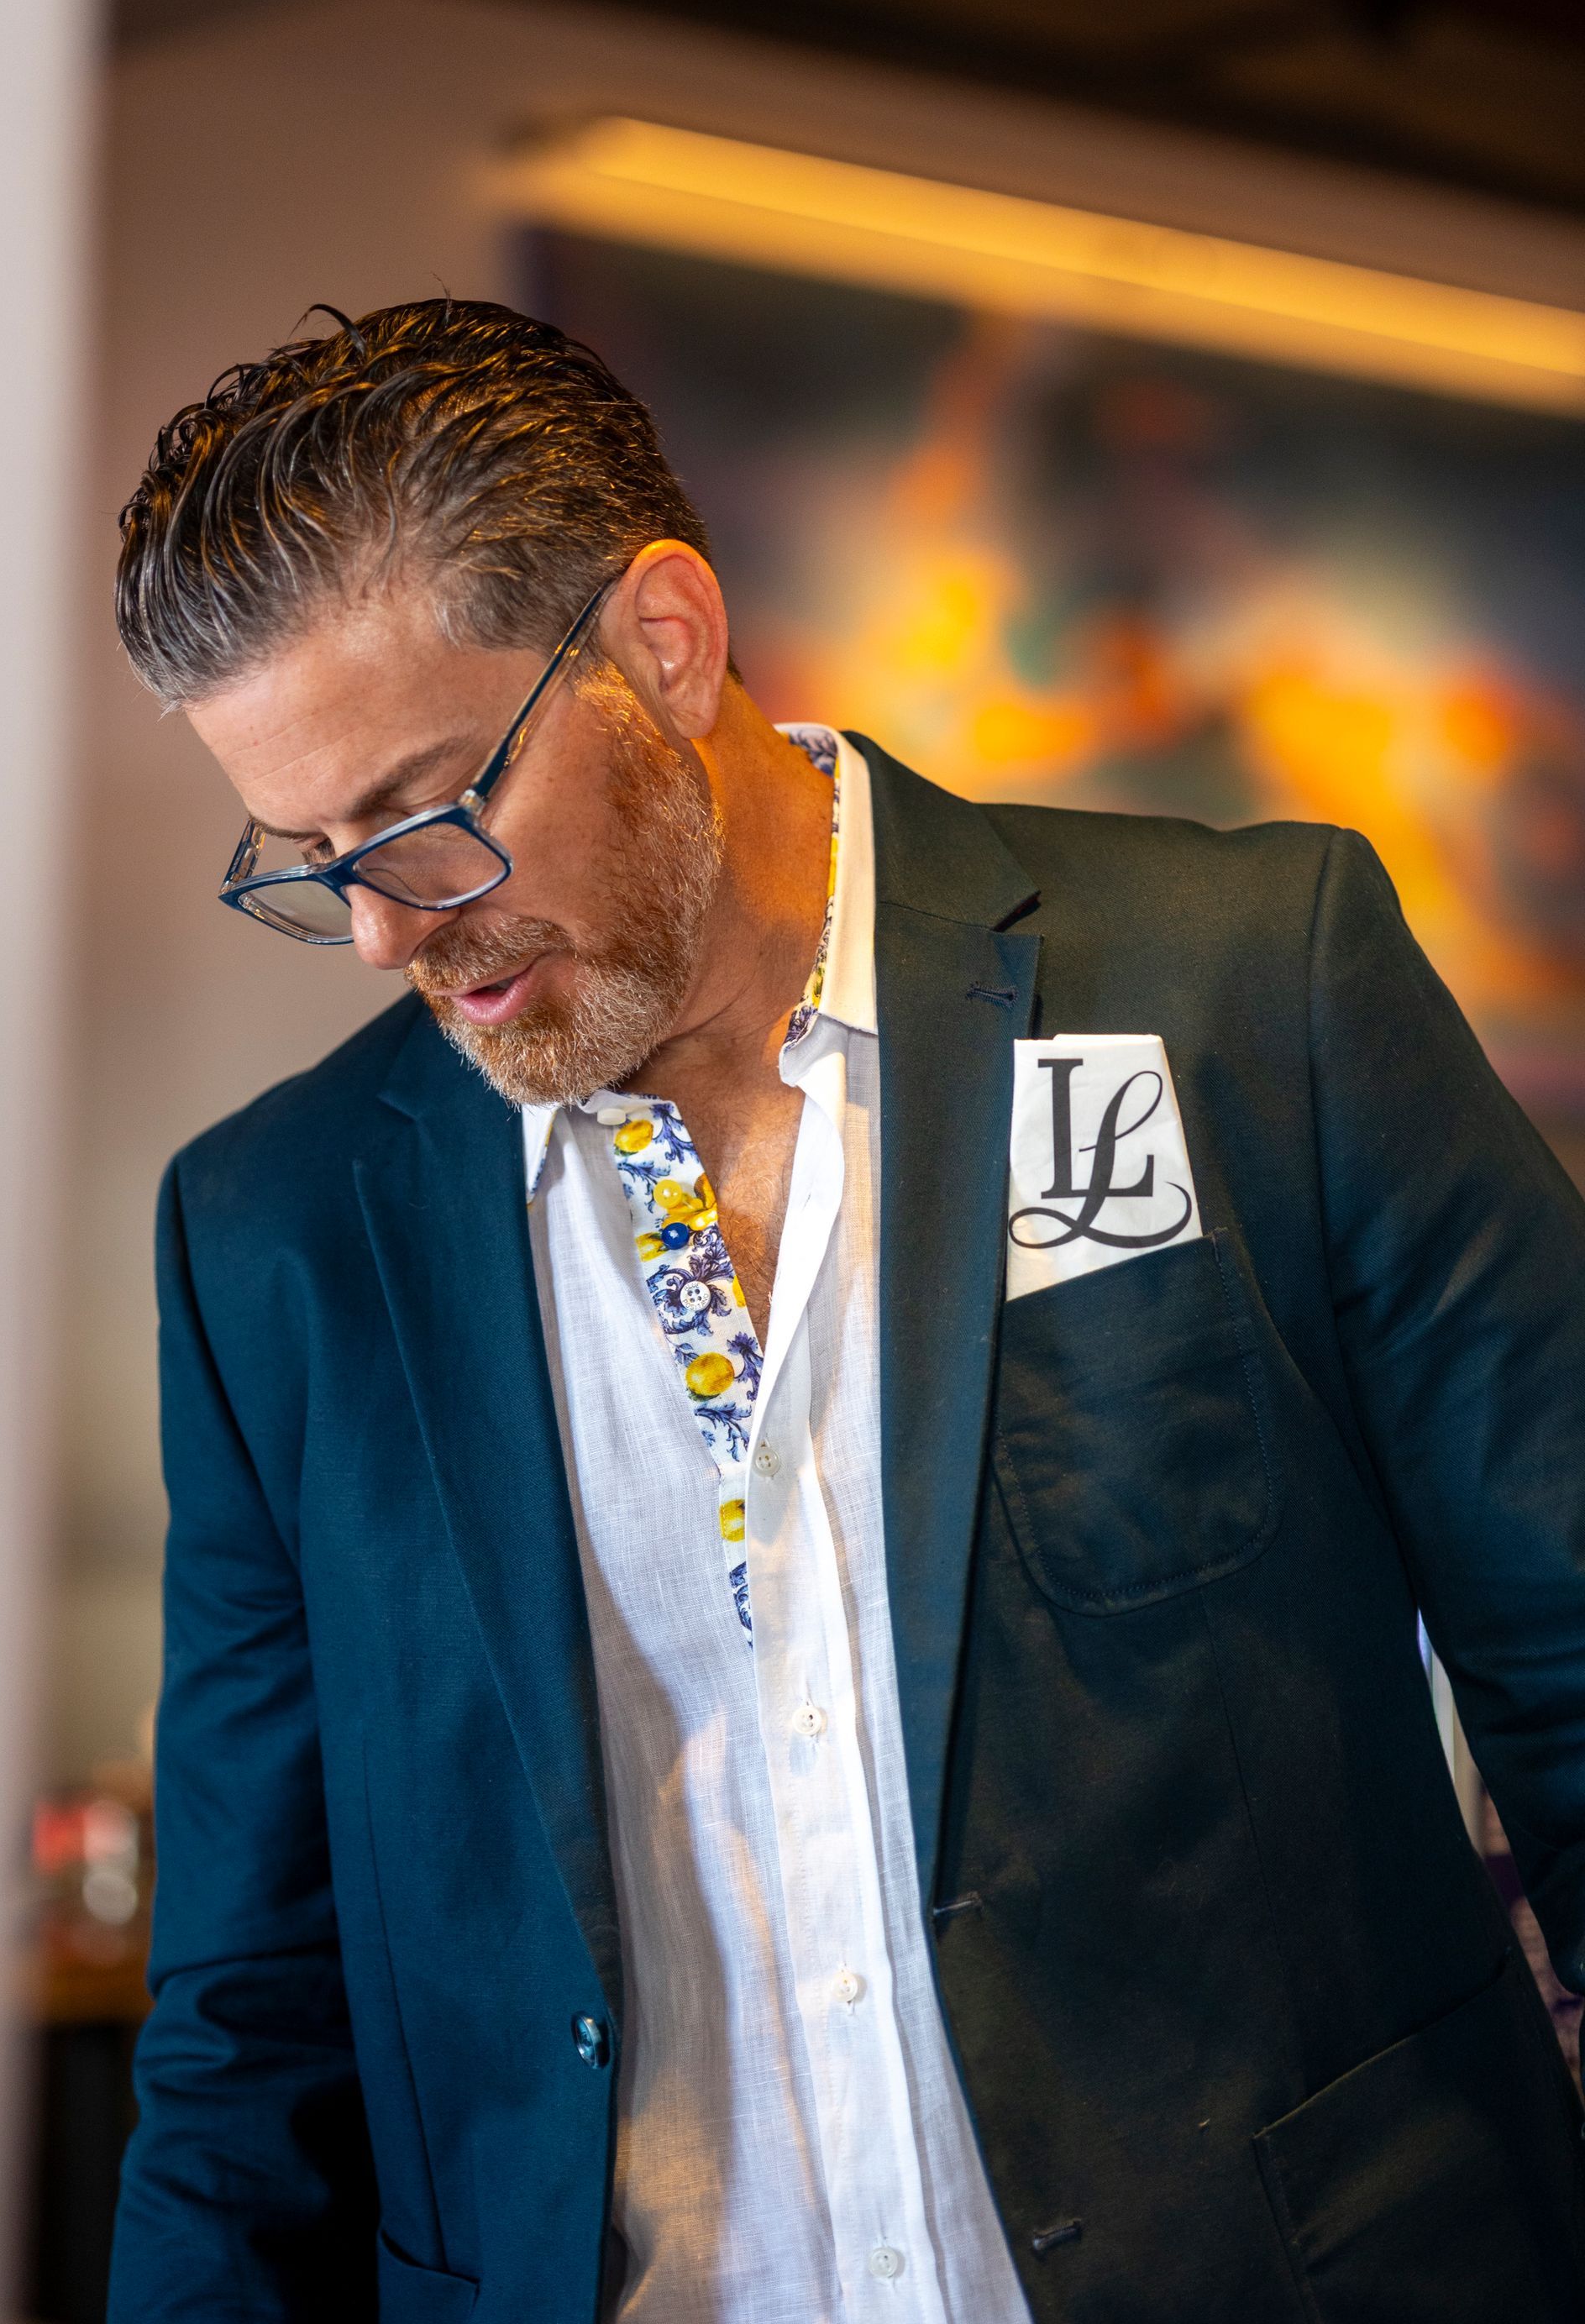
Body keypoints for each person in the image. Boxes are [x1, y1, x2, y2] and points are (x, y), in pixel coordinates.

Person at [107, 299, 1585, 2324]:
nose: (383, 929)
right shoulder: (274, 1235)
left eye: (428, 810)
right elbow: (251, 2009)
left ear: (664, 640)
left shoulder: (1250, 985)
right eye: (307, 859)